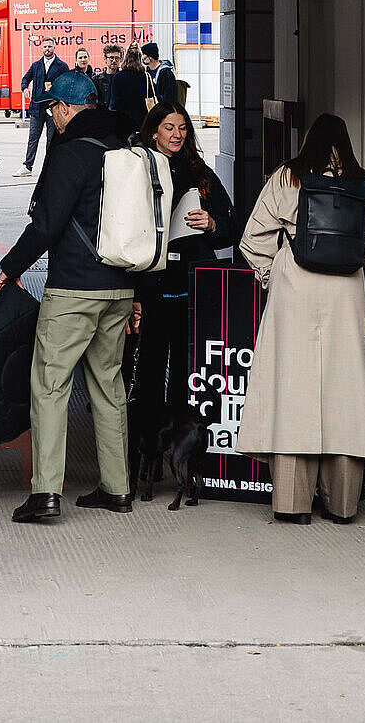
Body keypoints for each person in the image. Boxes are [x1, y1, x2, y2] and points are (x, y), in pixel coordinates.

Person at [237, 114, 365, 525]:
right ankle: (341, 505)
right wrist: (348, 254)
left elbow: (252, 239)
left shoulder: (287, 177)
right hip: (345, 298)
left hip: (294, 291)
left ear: (308, 141)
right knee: (344, 395)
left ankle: (293, 504)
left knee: (293, 392)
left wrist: (273, 275)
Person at [0, 71, 138, 524]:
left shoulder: (71, 152)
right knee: (109, 386)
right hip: (120, 286)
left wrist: (11, 266)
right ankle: (117, 488)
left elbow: (47, 223)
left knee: (50, 385)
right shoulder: (126, 150)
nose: (52, 118)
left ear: (66, 108)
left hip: (75, 287)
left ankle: (45, 492)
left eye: (53, 109)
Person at [127, 101, 233, 490]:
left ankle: (181, 459)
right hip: (151, 288)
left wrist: (212, 223)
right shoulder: (137, 167)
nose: (177, 134)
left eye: (182, 128)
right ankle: (146, 460)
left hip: (191, 288)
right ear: (153, 130)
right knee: (148, 377)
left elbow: (230, 228)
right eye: (169, 127)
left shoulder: (199, 173)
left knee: (187, 377)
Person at [17, 37, 69, 176]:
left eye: (50, 46)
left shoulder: (62, 66)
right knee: (33, 138)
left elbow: (67, 84)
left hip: (53, 108)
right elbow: (25, 79)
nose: (47, 49)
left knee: (51, 140)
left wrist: (56, 88)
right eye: (45, 46)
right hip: (37, 108)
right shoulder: (36, 65)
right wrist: (25, 88)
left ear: (54, 47)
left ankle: (49, 167)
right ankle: (27, 166)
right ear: (41, 48)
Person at [108, 43, 151, 132]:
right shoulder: (146, 77)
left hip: (123, 123)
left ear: (125, 58)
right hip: (143, 122)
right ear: (140, 59)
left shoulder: (118, 77)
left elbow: (114, 104)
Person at [141, 42, 178, 110]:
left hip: (162, 110)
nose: (142, 57)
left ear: (150, 57)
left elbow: (169, 96)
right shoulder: (146, 72)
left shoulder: (166, 73)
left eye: (143, 54)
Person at [95, 44, 123, 111]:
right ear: (105, 59)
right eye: (111, 57)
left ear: (120, 60)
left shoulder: (123, 79)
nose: (114, 60)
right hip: (102, 114)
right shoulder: (97, 80)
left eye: (117, 58)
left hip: (119, 114)